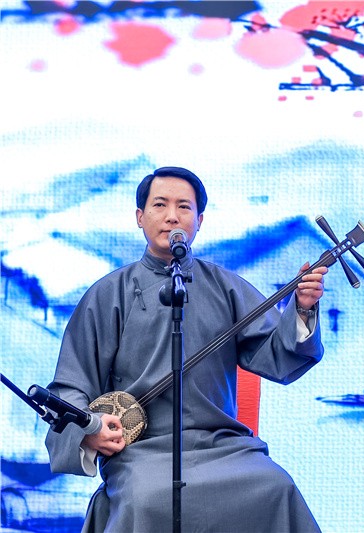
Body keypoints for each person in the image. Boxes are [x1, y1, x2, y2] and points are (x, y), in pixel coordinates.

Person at [44, 166, 328, 532]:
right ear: (139, 216)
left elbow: (277, 355)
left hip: (221, 445)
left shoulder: (225, 286)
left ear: (200, 220)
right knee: (145, 499)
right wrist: (90, 428)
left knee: (275, 486)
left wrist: (301, 309)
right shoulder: (108, 293)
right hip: (142, 451)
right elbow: (71, 383)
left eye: (184, 207)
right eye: (160, 205)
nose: (172, 216)